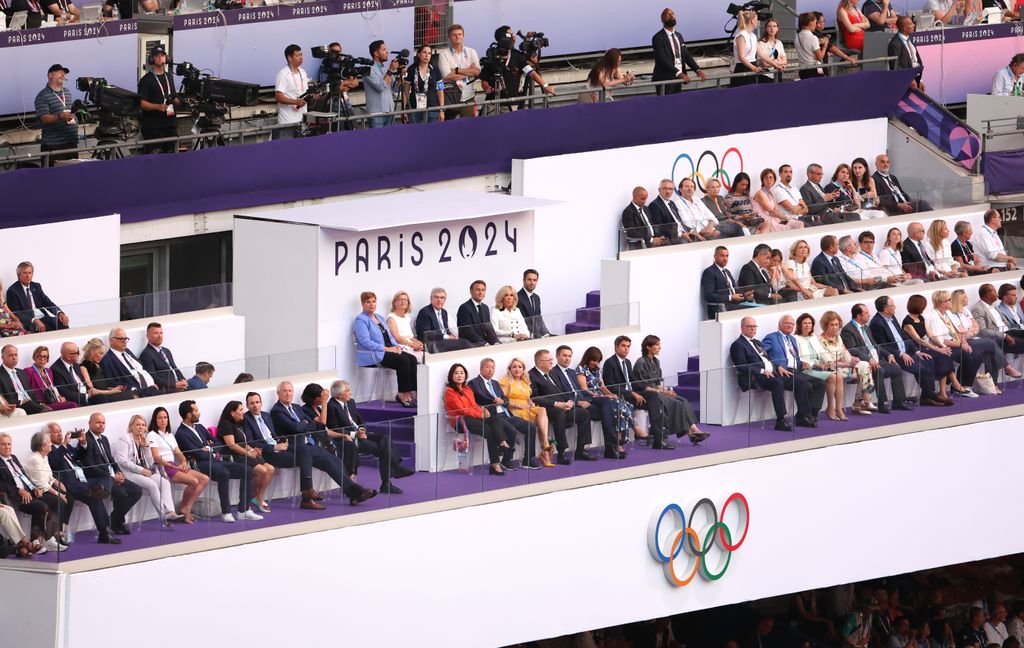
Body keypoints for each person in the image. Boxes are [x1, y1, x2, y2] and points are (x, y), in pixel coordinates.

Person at [271, 381, 377, 504]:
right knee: (328, 461)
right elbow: (296, 428)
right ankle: (355, 491)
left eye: (290, 391)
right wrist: (303, 424)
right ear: (278, 393)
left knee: (335, 460)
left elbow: (312, 425)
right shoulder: (277, 411)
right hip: (295, 447)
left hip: (310, 445)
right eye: (285, 391)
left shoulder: (296, 407)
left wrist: (303, 424)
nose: (288, 393)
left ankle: (353, 493)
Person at [175, 400, 261, 523]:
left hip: (214, 460)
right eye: (196, 411)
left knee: (247, 470)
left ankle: (244, 510)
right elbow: (198, 454)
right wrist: (209, 450)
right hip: (199, 464)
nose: (199, 413)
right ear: (189, 415)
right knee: (224, 473)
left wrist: (209, 448)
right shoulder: (181, 433)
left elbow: (218, 443)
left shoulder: (199, 427)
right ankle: (226, 512)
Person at [327, 380, 417, 490]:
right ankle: (389, 479)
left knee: (385, 439)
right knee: (383, 449)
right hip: (348, 439)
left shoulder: (351, 402)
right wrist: (356, 434)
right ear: (340, 394)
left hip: (360, 434)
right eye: (348, 391)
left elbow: (360, 421)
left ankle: (394, 472)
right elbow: (335, 429)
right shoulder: (331, 406)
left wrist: (362, 430)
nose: (350, 393)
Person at [870, 295, 945, 406]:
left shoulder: (892, 317)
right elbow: (883, 346)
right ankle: (930, 396)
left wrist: (917, 351)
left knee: (928, 360)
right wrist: (901, 354)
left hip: (907, 352)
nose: (895, 307)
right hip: (894, 356)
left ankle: (927, 395)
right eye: (892, 305)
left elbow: (904, 337)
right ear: (886, 309)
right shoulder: (876, 323)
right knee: (919, 367)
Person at [77, 413, 143, 535]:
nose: (101, 425)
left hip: (113, 476)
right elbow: (90, 467)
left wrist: (119, 472)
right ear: (89, 424)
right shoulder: (86, 440)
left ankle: (113, 520)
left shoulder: (104, 439)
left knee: (137, 491)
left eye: (103, 423)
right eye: (97, 422)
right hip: (100, 479)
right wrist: (111, 477)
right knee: (121, 493)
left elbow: (111, 459)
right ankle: (118, 522)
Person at [634, 335, 707, 443]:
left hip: (658, 392)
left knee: (683, 400)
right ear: (648, 347)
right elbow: (643, 386)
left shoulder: (656, 362)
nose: (660, 347)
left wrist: (667, 391)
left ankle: (693, 430)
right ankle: (691, 432)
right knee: (675, 403)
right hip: (649, 394)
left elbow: (658, 383)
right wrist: (662, 392)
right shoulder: (641, 362)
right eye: (657, 345)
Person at [0, 432, 66, 552]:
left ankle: (50, 538)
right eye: (3, 444)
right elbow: (2, 485)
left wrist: (33, 487)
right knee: (41, 506)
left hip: (29, 491)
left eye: (9, 444)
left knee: (57, 501)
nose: (7, 447)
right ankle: (36, 539)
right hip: (14, 496)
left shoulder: (13, 458)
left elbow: (23, 475)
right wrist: (19, 490)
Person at [604, 335, 674, 446]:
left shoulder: (627, 362)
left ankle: (657, 437)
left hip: (632, 395)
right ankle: (656, 436)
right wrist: (632, 393)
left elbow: (633, 381)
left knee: (653, 396)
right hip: (622, 396)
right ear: (616, 347)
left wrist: (647, 388)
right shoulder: (610, 363)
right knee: (653, 399)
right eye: (623, 346)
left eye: (628, 346)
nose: (626, 349)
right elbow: (611, 387)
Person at [468, 361, 539, 468]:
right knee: (511, 430)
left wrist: (502, 401)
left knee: (531, 427)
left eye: (493, 367)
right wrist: (491, 402)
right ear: (481, 369)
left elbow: (506, 399)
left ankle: (528, 459)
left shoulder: (495, 383)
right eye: (487, 367)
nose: (490, 370)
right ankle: (506, 460)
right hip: (492, 416)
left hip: (506, 414)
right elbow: (474, 402)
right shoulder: (474, 383)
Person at [445, 363, 512, 475]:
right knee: (489, 431)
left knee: (495, 419)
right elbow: (463, 410)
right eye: (456, 373)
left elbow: (474, 405)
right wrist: (480, 414)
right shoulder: (450, 392)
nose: (459, 375)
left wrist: (482, 411)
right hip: (461, 421)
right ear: (451, 376)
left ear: (465, 375)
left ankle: (503, 443)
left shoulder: (467, 389)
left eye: (462, 373)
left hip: (473, 418)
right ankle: (495, 463)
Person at [842, 303, 911, 412]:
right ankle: (882, 403)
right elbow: (852, 350)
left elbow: (875, 345)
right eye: (866, 313)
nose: (869, 315)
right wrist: (869, 359)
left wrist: (888, 354)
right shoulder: (848, 330)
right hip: (863, 362)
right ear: (859, 316)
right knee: (879, 371)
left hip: (875, 359)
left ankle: (899, 402)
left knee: (896, 369)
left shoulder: (866, 327)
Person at [354, 291, 418, 408]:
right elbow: (365, 342)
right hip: (373, 354)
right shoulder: (360, 320)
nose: (371, 304)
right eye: (368, 302)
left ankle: (409, 393)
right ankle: (402, 395)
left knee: (412, 359)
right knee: (403, 361)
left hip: (387, 350)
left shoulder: (379, 317)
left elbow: (389, 336)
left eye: (373, 301)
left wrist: (396, 346)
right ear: (363, 304)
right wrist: (386, 349)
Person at [532, 349, 599, 460]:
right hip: (547, 408)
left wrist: (570, 401)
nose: (551, 363)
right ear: (539, 362)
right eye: (548, 360)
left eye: (551, 360)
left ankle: (581, 450)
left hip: (563, 405)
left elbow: (563, 391)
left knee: (584, 413)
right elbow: (535, 398)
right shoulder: (532, 375)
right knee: (559, 414)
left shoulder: (552, 372)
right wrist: (557, 404)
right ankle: (561, 452)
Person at [576, 346, 647, 450]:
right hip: (592, 397)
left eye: (598, 361)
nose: (596, 363)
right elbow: (584, 389)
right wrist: (603, 396)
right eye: (594, 360)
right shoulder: (580, 370)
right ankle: (634, 431)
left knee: (627, 405)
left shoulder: (598, 370)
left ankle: (619, 441)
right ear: (587, 358)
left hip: (603, 397)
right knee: (620, 407)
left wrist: (610, 394)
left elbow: (603, 387)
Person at [147, 406, 209, 524]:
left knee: (204, 479)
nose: (163, 420)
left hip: (175, 465)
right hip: (164, 467)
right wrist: (175, 467)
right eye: (159, 418)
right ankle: (185, 510)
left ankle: (185, 508)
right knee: (195, 482)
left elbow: (178, 452)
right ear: (155, 420)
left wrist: (184, 463)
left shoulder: (169, 435)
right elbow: (156, 457)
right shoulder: (152, 434)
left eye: (165, 417)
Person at [114, 415, 180, 525]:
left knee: (164, 482)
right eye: (138, 425)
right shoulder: (124, 439)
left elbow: (150, 463)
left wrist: (146, 447)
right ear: (131, 427)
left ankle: (171, 512)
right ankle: (164, 516)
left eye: (143, 425)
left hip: (144, 471)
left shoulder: (143, 439)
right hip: (128, 472)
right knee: (152, 485)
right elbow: (121, 461)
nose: (140, 427)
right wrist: (141, 470)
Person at [730, 317, 792, 431]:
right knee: (777, 383)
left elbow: (767, 359)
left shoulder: (757, 342)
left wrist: (778, 367)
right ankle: (781, 419)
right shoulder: (738, 344)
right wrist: (762, 371)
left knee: (797, 380)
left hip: (772, 373)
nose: (753, 329)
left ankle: (805, 415)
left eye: (755, 326)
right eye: (750, 326)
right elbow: (742, 366)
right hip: (755, 377)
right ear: (742, 328)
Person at [551, 345, 610, 457]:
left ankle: (609, 445)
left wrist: (592, 396)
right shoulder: (553, 372)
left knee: (607, 406)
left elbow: (580, 390)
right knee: (588, 413)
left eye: (569, 356)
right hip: (570, 404)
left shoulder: (572, 372)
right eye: (564, 356)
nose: (567, 358)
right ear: (557, 356)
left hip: (583, 400)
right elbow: (560, 394)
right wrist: (578, 402)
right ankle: (581, 450)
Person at [22, 430, 78, 547]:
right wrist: (58, 494)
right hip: (36, 491)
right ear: (42, 447)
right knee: (59, 501)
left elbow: (49, 477)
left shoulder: (44, 456)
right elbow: (42, 484)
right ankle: (50, 537)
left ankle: (60, 532)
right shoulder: (35, 459)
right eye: (48, 442)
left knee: (70, 498)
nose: (51, 444)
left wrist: (58, 483)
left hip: (45, 488)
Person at [479, 27, 556, 110]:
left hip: (512, 103)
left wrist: (545, 86)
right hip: (491, 103)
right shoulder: (492, 55)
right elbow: (484, 78)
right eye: (511, 34)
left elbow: (531, 72)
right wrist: (486, 86)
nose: (514, 36)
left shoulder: (517, 56)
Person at [949, 288, 1018, 382]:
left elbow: (976, 326)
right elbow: (961, 334)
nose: (968, 299)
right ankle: (1007, 367)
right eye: (965, 298)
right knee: (990, 343)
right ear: (960, 300)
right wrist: (972, 332)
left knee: (989, 353)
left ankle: (993, 384)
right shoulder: (951, 314)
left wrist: (972, 332)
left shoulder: (966, 311)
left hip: (974, 338)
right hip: (964, 342)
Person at [216, 401, 275, 513]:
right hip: (235, 456)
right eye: (240, 410)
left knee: (270, 469)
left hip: (244, 453)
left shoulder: (238, 424)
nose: (243, 412)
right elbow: (231, 445)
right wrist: (248, 453)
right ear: (233, 412)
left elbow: (244, 443)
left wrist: (252, 450)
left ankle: (258, 497)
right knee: (262, 470)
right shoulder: (226, 424)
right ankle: (248, 499)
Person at [903, 293, 959, 403]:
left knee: (945, 356)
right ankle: (930, 394)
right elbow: (918, 340)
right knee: (933, 358)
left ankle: (942, 392)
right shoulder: (907, 322)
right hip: (915, 350)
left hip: (926, 348)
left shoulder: (921, 318)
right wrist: (937, 349)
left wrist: (943, 347)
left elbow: (931, 335)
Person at [925, 290, 981, 398]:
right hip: (941, 347)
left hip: (954, 342)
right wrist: (961, 345)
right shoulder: (933, 317)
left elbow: (958, 330)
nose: (952, 301)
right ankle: (958, 387)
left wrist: (964, 342)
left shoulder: (948, 312)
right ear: (943, 304)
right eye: (949, 300)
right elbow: (941, 341)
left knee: (976, 355)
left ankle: (965, 385)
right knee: (965, 355)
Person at [500, 357, 555, 467]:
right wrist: (519, 405)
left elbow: (528, 398)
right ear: (510, 369)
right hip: (514, 410)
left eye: (520, 367)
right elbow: (503, 401)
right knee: (539, 420)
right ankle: (545, 446)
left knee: (542, 409)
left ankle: (544, 444)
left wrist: (530, 403)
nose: (517, 369)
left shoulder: (525, 381)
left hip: (527, 409)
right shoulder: (506, 381)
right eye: (514, 367)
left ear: (523, 369)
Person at [818, 310, 876, 415]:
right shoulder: (821, 340)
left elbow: (845, 353)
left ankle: (861, 402)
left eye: (837, 325)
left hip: (845, 367)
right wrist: (848, 364)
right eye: (832, 325)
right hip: (833, 370)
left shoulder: (838, 337)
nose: (835, 327)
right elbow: (828, 363)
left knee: (864, 365)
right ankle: (863, 403)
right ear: (826, 325)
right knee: (858, 370)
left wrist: (853, 359)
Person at [794, 314, 845, 420]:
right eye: (805, 323)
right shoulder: (795, 338)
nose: (808, 325)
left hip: (819, 367)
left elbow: (822, 352)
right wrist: (815, 364)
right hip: (807, 369)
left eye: (810, 323)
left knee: (839, 376)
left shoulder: (813, 337)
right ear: (799, 325)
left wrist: (829, 361)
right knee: (832, 377)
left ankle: (838, 409)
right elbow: (797, 357)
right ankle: (830, 408)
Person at [651, 7, 706, 95]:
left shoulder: (679, 36)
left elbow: (686, 55)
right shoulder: (658, 38)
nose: (671, 16)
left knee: (676, 104)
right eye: (668, 14)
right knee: (666, 105)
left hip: (678, 78)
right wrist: (679, 73)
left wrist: (697, 70)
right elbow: (662, 60)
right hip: (666, 78)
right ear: (662, 19)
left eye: (672, 13)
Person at [137, 45, 180, 154]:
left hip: (170, 125)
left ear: (167, 58)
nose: (160, 58)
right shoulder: (146, 80)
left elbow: (173, 95)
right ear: (152, 59)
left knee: (172, 157)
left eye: (162, 55)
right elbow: (141, 103)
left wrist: (177, 100)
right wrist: (157, 106)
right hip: (153, 128)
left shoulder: (169, 77)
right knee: (155, 158)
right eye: (157, 56)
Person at [34, 64, 78, 166]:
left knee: (73, 176)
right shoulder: (42, 96)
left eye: (64, 73)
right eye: (59, 72)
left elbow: (69, 112)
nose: (63, 75)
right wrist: (59, 117)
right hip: (54, 146)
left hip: (71, 142)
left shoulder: (67, 92)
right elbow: (44, 118)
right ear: (50, 75)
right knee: (55, 178)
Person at [5, 261, 68, 332]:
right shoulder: (12, 291)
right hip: (29, 322)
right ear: (19, 275)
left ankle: (67, 343)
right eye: (25, 273)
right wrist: (34, 320)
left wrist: (59, 312)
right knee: (40, 329)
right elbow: (16, 313)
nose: (28, 275)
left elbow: (48, 302)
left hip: (42, 317)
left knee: (62, 322)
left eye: (30, 273)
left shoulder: (36, 286)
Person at [100, 328, 161, 397]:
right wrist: (133, 391)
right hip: (139, 393)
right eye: (121, 339)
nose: (124, 341)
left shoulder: (127, 351)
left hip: (153, 388)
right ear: (111, 340)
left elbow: (140, 368)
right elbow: (111, 383)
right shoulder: (106, 360)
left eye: (125, 339)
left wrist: (151, 383)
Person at [436, 24, 480, 118]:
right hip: (450, 95)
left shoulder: (471, 52)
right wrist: (469, 72)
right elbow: (447, 77)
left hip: (468, 95)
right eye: (454, 34)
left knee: (468, 126)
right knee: (449, 127)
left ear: (463, 36)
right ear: (449, 37)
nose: (457, 37)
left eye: (460, 34)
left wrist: (456, 71)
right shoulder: (444, 54)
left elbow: (477, 72)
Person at [414, 287, 474, 353]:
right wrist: (447, 336)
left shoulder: (444, 312)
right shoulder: (425, 312)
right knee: (464, 343)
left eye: (442, 298)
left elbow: (445, 330)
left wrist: (452, 335)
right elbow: (428, 334)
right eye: (436, 297)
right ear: (431, 299)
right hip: (432, 344)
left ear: (445, 300)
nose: (439, 300)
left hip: (444, 341)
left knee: (466, 342)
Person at [702, 246, 753, 320]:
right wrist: (730, 297)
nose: (725, 259)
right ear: (715, 256)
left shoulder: (727, 272)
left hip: (733, 305)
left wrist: (745, 296)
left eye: (727, 256)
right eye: (722, 256)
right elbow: (709, 296)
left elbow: (735, 291)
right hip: (721, 308)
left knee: (757, 308)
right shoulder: (709, 272)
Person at [974, 283, 1024, 356]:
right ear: (988, 295)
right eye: (994, 291)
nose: (997, 293)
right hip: (998, 337)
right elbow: (983, 331)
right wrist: (1004, 335)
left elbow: (1005, 322)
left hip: (1009, 331)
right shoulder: (978, 309)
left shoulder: (994, 305)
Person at [77, 338, 132, 404]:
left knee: (129, 390)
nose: (102, 356)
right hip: (98, 398)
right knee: (130, 395)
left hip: (106, 394)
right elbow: (91, 391)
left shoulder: (98, 366)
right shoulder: (83, 367)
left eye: (103, 354)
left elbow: (104, 386)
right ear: (92, 352)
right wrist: (110, 392)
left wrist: (113, 389)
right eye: (100, 353)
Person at [274, 44, 311, 139]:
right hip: (288, 121)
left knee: (301, 150)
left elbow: (305, 91)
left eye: (302, 55)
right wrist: (295, 102)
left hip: (302, 119)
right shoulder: (283, 74)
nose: (301, 58)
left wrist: (315, 96)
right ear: (289, 58)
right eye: (298, 55)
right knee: (287, 151)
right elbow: (278, 96)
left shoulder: (303, 72)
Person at [139, 322, 188, 393]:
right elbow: (153, 377)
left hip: (180, 385)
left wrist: (183, 380)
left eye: (161, 333)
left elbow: (174, 368)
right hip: (168, 389)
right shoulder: (146, 354)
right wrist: (174, 385)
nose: (159, 336)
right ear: (147, 336)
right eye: (156, 333)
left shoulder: (166, 351)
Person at [0, 344, 50, 415]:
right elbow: (2, 398)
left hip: (31, 403)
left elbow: (31, 392)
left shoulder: (21, 372)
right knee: (44, 411)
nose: (14, 358)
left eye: (16, 355)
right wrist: (20, 402)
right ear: (2, 357)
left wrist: (39, 403)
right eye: (10, 355)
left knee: (47, 408)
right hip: (18, 404)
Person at [650, 178, 701, 244]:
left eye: (670, 189)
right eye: (665, 188)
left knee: (701, 237)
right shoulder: (655, 205)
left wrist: (691, 230)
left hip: (683, 232)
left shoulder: (672, 203)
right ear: (659, 190)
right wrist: (680, 234)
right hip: (672, 236)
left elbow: (680, 221)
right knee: (685, 242)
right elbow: (659, 227)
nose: (668, 191)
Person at [26, 346, 76, 411]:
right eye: (39, 356)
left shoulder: (49, 371)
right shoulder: (29, 371)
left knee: (74, 402)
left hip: (54, 399)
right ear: (34, 357)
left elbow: (53, 387)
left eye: (44, 356)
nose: (42, 358)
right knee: (72, 405)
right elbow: (28, 390)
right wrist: (38, 403)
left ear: (47, 359)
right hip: (42, 403)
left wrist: (60, 397)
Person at [406, 44, 445, 123]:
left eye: (429, 53)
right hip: (414, 107)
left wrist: (441, 110)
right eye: (424, 52)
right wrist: (404, 110)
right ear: (419, 54)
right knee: (414, 133)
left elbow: (440, 91)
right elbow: (406, 91)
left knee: (432, 133)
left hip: (432, 108)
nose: (427, 55)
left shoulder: (435, 70)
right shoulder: (411, 69)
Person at [456, 280, 500, 346]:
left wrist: (495, 342)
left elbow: (488, 328)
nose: (481, 292)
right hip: (470, 344)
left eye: (483, 290)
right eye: (477, 290)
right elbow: (468, 332)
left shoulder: (485, 307)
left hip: (483, 343)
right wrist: (485, 344)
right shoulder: (464, 308)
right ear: (471, 291)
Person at [386, 290, 426, 361]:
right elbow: (396, 338)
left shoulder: (407, 318)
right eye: (400, 299)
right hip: (400, 348)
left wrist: (418, 343)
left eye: (405, 300)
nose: (403, 301)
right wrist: (411, 344)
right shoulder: (391, 318)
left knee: (427, 357)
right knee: (418, 359)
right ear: (395, 302)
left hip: (409, 346)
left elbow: (409, 337)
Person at [888, 16, 925, 91]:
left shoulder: (909, 40)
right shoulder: (894, 44)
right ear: (905, 28)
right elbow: (895, 66)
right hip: (906, 84)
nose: (914, 25)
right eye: (911, 24)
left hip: (916, 80)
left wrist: (920, 80)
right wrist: (908, 79)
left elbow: (916, 60)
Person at [731, 10, 763, 87]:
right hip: (742, 68)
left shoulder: (753, 36)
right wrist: (754, 68)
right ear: (752, 21)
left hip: (751, 66)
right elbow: (741, 57)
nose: (757, 22)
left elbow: (762, 54)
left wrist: (775, 65)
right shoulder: (741, 35)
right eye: (756, 20)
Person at [518, 269, 552, 338]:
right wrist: (539, 335)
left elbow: (539, 318)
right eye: (529, 279)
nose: (532, 282)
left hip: (537, 334)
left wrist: (546, 334)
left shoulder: (536, 298)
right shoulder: (518, 297)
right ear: (524, 280)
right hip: (527, 335)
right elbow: (524, 321)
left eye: (534, 280)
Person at [796, 12, 829, 80]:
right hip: (813, 70)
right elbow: (820, 58)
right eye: (815, 22)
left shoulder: (797, 36)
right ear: (811, 23)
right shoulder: (813, 38)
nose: (816, 25)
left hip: (802, 70)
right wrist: (825, 46)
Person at [757, 18, 788, 83]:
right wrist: (779, 62)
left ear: (777, 29)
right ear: (766, 29)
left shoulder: (779, 42)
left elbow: (785, 61)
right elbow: (765, 63)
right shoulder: (761, 43)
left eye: (774, 26)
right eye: (769, 26)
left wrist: (772, 62)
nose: (772, 28)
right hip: (766, 75)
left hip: (778, 73)